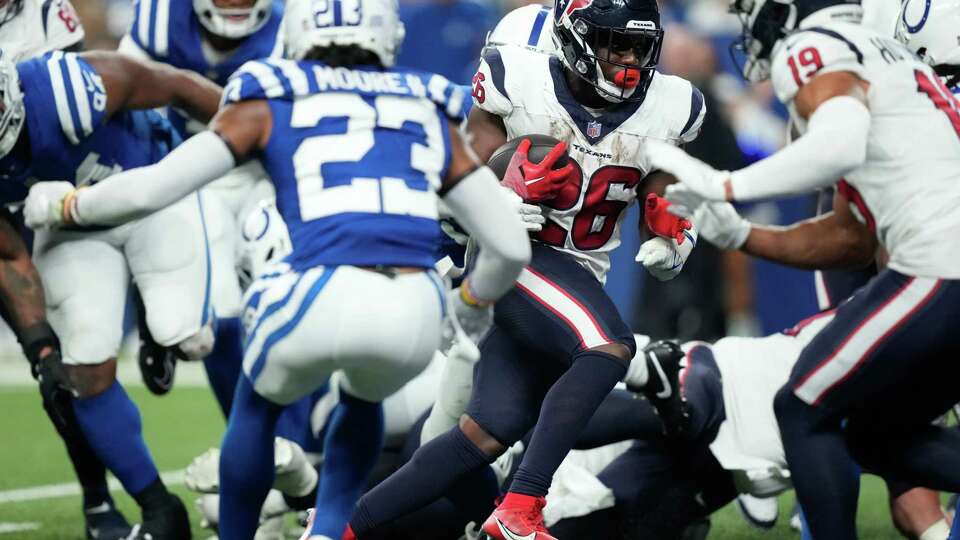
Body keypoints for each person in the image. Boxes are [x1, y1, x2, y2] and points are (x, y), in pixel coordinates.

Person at [23, 1, 532, 539]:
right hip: (414, 307)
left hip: (317, 288)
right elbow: (509, 245)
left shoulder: (269, 95)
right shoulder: (430, 105)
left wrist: (68, 207)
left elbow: (154, 188)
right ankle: (328, 529)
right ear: (390, 35)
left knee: (257, 403)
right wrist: (471, 306)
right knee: (363, 401)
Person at [345, 0, 704, 538]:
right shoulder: (521, 77)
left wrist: (673, 235)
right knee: (609, 347)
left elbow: (663, 192)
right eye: (614, 45)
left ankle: (341, 527)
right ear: (577, 41)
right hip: (509, 256)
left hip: (576, 276)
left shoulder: (672, 107)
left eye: (639, 46)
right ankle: (520, 508)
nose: (629, 60)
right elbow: (453, 176)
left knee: (488, 431)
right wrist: (489, 200)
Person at [646, 0, 960, 537]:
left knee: (802, 405)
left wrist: (726, 184)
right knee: (871, 431)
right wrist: (742, 234)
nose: (751, 24)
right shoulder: (895, 63)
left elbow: (838, 142)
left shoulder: (816, 46)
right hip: (939, 257)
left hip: (941, 262)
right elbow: (848, 238)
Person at [0, 50, 221, 539]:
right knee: (81, 368)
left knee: (187, 334)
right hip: (71, 223)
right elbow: (9, 256)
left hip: (153, 191)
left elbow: (173, 84)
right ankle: (159, 507)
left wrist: (252, 135)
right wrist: (41, 347)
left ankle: (153, 319)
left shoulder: (65, 90)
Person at [0, 2, 132, 539]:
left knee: (58, 361)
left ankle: (98, 501)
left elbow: (81, 85)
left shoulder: (44, 9)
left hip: (24, 197)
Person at [117, 0, 283, 411]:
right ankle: (244, 433)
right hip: (190, 170)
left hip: (264, 172)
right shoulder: (160, 19)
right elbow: (121, 90)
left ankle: (294, 440)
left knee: (280, 300)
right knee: (219, 313)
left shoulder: (289, 27)